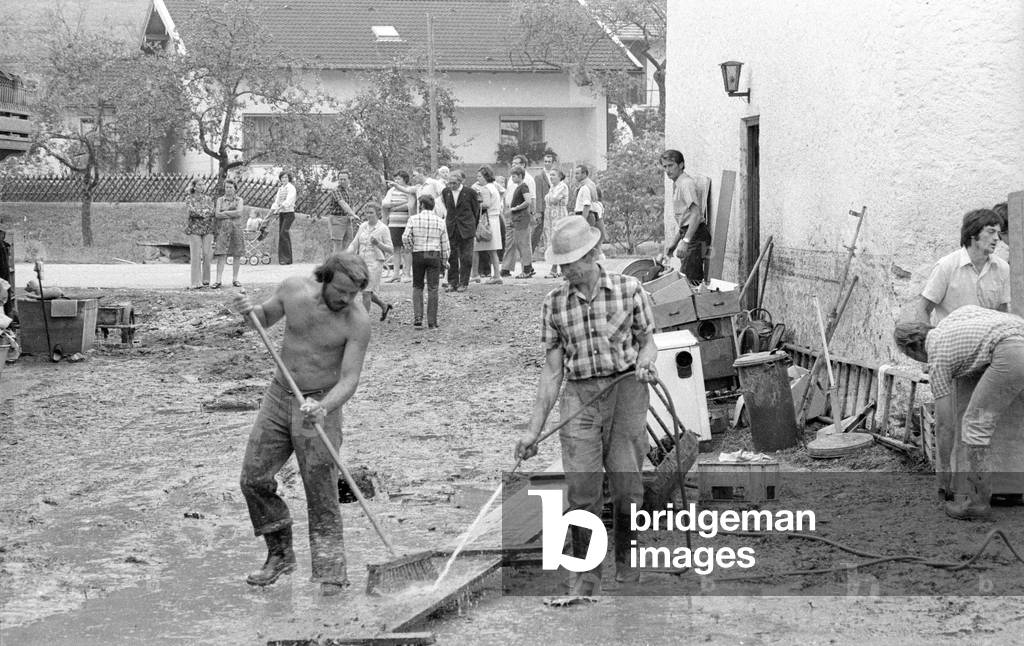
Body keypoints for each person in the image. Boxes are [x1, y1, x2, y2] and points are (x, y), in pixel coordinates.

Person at [514, 215, 659, 595]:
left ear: (594, 254)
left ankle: (627, 567)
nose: (567, 272)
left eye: (573, 263)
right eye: (562, 265)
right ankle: (586, 575)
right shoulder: (554, 304)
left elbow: (648, 340)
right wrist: (533, 430)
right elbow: (551, 372)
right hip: (579, 395)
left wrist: (645, 360)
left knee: (627, 485)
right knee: (582, 488)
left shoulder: (630, 290)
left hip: (627, 391)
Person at [232, 253, 371, 595]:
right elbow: (262, 319)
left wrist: (324, 407)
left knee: (321, 491)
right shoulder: (293, 290)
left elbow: (349, 379)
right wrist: (248, 310)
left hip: (320, 405)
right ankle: (279, 554)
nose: (346, 299)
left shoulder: (357, 321)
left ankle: (331, 575)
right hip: (280, 398)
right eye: (341, 291)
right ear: (324, 278)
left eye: (353, 293)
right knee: (253, 478)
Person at [893, 306, 1024, 520]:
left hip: (1011, 352)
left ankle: (977, 503)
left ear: (913, 349)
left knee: (974, 424)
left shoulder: (937, 356)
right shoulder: (953, 321)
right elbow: (982, 317)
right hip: (1018, 332)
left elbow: (945, 425)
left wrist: (944, 469)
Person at [913, 208, 1010, 325]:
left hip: (987, 340)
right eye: (991, 232)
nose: (996, 238)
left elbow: (1002, 312)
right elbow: (923, 309)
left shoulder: (1002, 268)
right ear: (973, 233)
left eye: (998, 233)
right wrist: (927, 340)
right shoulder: (946, 266)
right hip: (950, 340)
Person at [660, 150, 711, 284]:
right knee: (686, 280)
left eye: (671, 165)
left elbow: (696, 214)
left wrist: (686, 241)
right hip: (689, 234)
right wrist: (674, 243)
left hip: (696, 236)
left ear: (681, 165)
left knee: (691, 283)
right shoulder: (677, 184)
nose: (667, 170)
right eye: (664, 166)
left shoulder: (686, 184)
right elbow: (685, 221)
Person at [402, 195, 450, 329]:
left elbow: (405, 237)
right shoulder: (440, 221)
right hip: (433, 253)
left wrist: (411, 246)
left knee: (417, 286)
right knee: (433, 287)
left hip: (418, 253)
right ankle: (432, 321)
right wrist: (445, 260)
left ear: (421, 205)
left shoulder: (413, 219)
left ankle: (418, 316)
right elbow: (445, 244)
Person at [347, 203, 395, 321]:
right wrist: (345, 254)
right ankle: (384, 306)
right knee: (364, 290)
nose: (368, 215)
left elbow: (391, 249)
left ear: (377, 213)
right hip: (361, 262)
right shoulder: (363, 226)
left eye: (371, 213)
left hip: (375, 263)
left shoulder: (383, 228)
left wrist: (378, 244)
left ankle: (364, 320)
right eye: (367, 212)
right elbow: (354, 243)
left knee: (366, 292)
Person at [441, 170, 480, 292]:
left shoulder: (470, 193)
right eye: (449, 183)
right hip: (451, 227)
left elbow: (476, 211)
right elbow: (448, 208)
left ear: (460, 181)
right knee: (451, 256)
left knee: (466, 257)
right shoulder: (446, 192)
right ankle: (452, 282)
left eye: (454, 183)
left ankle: (464, 282)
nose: (451, 186)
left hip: (466, 227)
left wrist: (473, 225)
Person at [499, 167, 535, 279]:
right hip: (517, 219)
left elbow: (528, 201)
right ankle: (526, 268)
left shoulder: (523, 186)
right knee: (520, 244)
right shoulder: (518, 187)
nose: (512, 178)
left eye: (514, 176)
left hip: (522, 219)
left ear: (520, 176)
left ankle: (527, 270)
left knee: (523, 244)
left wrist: (515, 208)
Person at [382, 170, 416, 282]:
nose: (396, 181)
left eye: (399, 179)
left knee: (407, 249)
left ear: (405, 179)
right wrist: (398, 205)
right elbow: (385, 204)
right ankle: (396, 274)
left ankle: (407, 273)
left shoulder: (409, 190)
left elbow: (410, 205)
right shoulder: (391, 190)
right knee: (396, 249)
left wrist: (395, 207)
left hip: (406, 223)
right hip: (394, 223)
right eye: (395, 179)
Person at [474, 166, 505, 285]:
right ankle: (496, 275)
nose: (478, 179)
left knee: (480, 247)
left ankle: (478, 274)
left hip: (488, 220)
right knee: (492, 250)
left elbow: (486, 204)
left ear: (486, 176)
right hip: (494, 219)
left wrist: (477, 204)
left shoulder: (486, 188)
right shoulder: (494, 186)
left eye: (480, 176)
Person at [213, 179, 245, 288]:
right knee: (221, 254)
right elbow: (217, 214)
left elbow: (239, 212)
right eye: (226, 187)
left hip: (236, 229)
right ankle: (218, 280)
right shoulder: (220, 200)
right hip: (223, 229)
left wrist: (225, 213)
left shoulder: (239, 200)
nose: (228, 189)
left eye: (231, 187)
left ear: (235, 188)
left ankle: (235, 279)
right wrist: (232, 214)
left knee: (237, 254)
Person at [184, 178, 215, 290]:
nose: (202, 186)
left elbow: (212, 211)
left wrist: (202, 213)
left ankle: (206, 281)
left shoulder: (208, 199)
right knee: (196, 255)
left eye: (203, 184)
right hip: (194, 229)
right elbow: (192, 211)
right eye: (199, 185)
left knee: (207, 254)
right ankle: (195, 282)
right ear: (194, 186)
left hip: (208, 229)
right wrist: (204, 213)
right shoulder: (189, 198)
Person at [571, 164, 606, 249]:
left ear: (584, 174)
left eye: (577, 173)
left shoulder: (585, 187)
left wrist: (583, 219)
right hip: (588, 214)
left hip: (585, 214)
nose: (575, 176)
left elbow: (587, 205)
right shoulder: (587, 185)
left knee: (587, 242)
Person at [543, 169, 570, 278]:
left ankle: (558, 268)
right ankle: (558, 268)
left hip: (558, 215)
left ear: (559, 176)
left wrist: (548, 198)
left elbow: (553, 199)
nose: (551, 177)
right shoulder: (553, 187)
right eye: (550, 175)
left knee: (559, 241)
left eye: (553, 175)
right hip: (551, 216)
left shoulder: (562, 186)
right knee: (552, 241)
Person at [270, 171, 297, 265]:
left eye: (286, 177)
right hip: (282, 213)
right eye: (282, 178)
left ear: (289, 178)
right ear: (280, 179)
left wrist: (280, 207)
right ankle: (283, 259)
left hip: (289, 213)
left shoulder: (291, 188)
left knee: (284, 233)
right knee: (282, 235)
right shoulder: (281, 188)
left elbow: (289, 200)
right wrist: (273, 210)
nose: (284, 179)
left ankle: (287, 259)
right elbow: (277, 201)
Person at [531, 151, 556, 254]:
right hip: (544, 207)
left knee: (552, 229)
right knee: (538, 229)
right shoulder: (539, 177)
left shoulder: (556, 175)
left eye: (549, 161)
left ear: (553, 163)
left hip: (554, 208)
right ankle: (530, 251)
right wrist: (538, 211)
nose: (547, 163)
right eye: (545, 161)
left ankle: (550, 250)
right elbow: (538, 195)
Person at [327, 170, 357, 255]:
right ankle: (334, 266)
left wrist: (351, 215)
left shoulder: (349, 191)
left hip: (347, 219)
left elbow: (352, 204)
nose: (342, 181)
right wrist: (353, 214)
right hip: (337, 219)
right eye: (340, 179)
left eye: (344, 179)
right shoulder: (336, 190)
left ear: (349, 180)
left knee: (348, 243)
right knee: (338, 244)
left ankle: (343, 264)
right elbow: (342, 203)